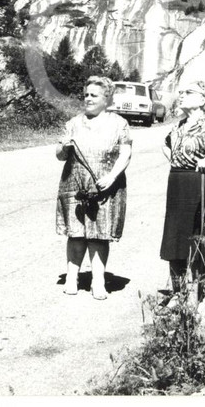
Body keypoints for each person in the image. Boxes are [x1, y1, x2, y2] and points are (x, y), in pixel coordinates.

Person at [56, 76, 132, 300]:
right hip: (74, 184)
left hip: (105, 186)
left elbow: (125, 153)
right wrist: (64, 148)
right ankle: (72, 278)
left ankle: (98, 282)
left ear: (106, 99)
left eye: (94, 95)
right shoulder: (73, 123)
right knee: (76, 233)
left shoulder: (119, 123)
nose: (88, 99)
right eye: (86, 94)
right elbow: (60, 156)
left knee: (99, 236)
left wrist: (112, 177)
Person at [159, 80, 205, 301]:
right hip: (177, 183)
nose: (182, 95)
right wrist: (174, 161)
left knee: (200, 238)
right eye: (181, 92)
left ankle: (200, 294)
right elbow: (166, 144)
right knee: (175, 239)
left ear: (202, 99)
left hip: (201, 184)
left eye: (188, 92)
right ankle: (179, 295)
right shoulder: (178, 125)